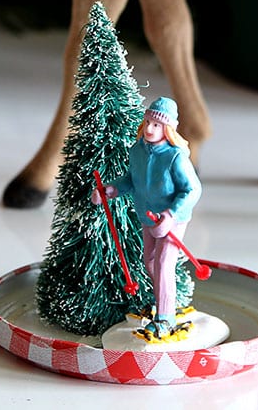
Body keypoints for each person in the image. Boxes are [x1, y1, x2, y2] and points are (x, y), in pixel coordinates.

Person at [92, 96, 201, 339]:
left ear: (168, 129)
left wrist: (171, 213)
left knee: (163, 264)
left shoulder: (175, 157)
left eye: (157, 125)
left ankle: (165, 319)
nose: (150, 129)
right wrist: (111, 190)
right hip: (147, 216)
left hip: (172, 220)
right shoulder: (137, 151)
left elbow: (193, 190)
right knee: (150, 262)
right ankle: (165, 301)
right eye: (148, 122)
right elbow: (131, 180)